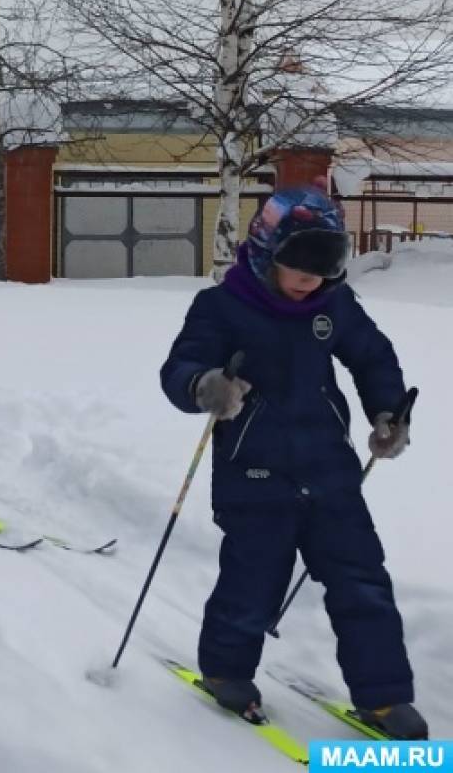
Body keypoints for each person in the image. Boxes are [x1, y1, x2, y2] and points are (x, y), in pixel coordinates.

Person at [160, 186, 428, 739]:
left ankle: (383, 698)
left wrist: (387, 412)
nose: (311, 279)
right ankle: (226, 671)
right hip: (252, 470)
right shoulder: (222, 306)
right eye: (299, 265)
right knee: (252, 578)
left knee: (362, 581)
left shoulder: (334, 304)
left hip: (330, 469)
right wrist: (204, 385)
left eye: (325, 266)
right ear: (264, 251)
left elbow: (372, 355)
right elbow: (181, 365)